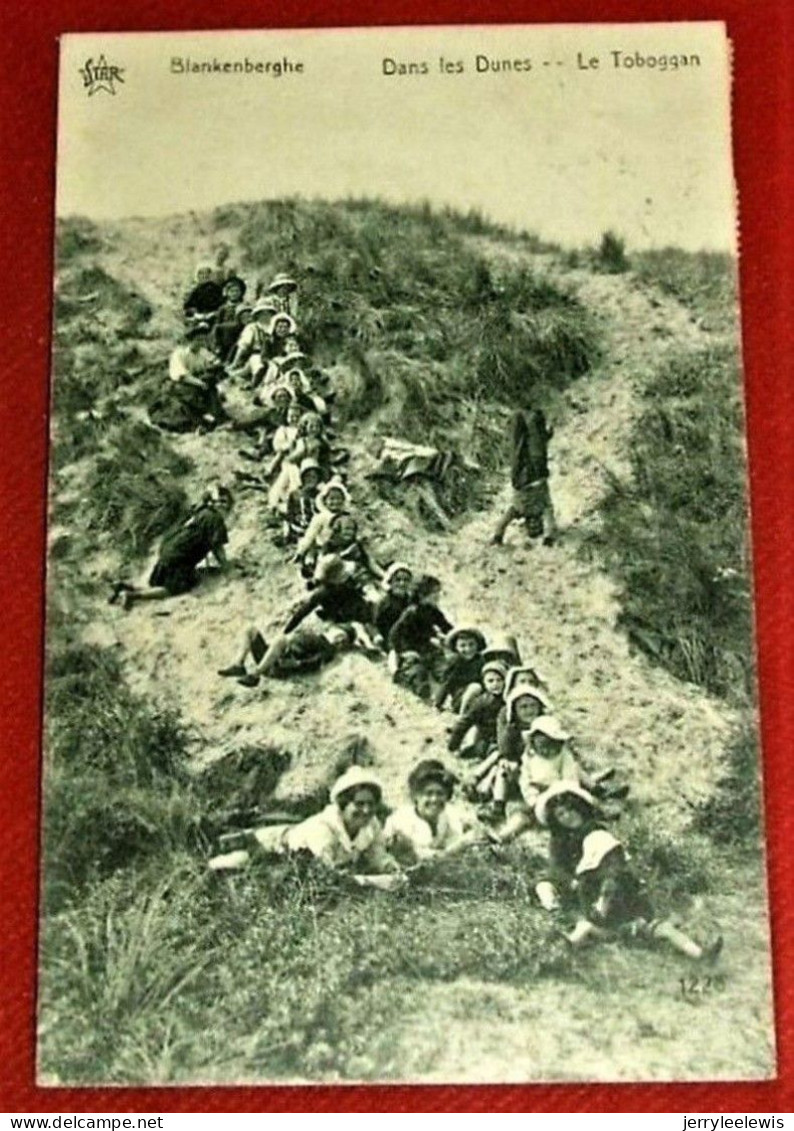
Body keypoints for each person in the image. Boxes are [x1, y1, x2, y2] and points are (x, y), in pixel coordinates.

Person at [533, 783, 723, 961]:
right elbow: (556, 868)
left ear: (580, 808)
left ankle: (699, 953)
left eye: (570, 810)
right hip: (583, 894)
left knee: (659, 926)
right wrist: (572, 881)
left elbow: (615, 865)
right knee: (546, 887)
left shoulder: (596, 832)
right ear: (556, 819)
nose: (568, 816)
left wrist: (604, 892)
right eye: (561, 814)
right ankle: (559, 930)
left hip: (612, 895)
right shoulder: (558, 842)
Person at [209, 766, 402, 887]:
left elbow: (377, 852)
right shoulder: (323, 829)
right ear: (343, 805)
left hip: (296, 839)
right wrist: (375, 882)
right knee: (226, 867)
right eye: (359, 804)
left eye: (371, 804)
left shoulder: (371, 823)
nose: (366, 810)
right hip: (275, 846)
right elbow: (329, 877)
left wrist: (391, 868)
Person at [110, 486, 233, 609]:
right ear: (216, 503)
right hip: (179, 557)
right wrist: (227, 568)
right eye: (223, 502)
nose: (226, 507)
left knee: (159, 585)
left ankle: (124, 587)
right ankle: (132, 596)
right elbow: (218, 549)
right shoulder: (215, 518)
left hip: (168, 550)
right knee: (171, 590)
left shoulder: (196, 511)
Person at [383, 759, 484, 867]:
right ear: (416, 796)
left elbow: (476, 826)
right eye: (428, 793)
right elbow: (419, 858)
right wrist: (461, 845)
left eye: (440, 793)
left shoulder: (450, 815)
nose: (434, 799)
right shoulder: (401, 821)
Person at [491, 409, 558, 546]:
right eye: (537, 526)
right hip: (538, 474)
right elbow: (550, 522)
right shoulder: (544, 508)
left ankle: (519, 416)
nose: (533, 524)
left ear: (525, 524)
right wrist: (548, 538)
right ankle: (535, 419)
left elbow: (503, 522)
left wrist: (498, 537)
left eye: (531, 527)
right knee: (536, 439)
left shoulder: (518, 510)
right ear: (541, 522)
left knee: (518, 442)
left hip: (520, 478)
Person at [218, 621, 356, 684]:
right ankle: (238, 665)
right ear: (332, 629)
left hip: (283, 666)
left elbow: (316, 662)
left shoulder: (328, 649)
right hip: (274, 657)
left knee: (281, 641)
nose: (340, 641)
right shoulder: (316, 634)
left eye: (344, 643)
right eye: (341, 636)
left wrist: (297, 663)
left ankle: (255, 675)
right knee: (250, 630)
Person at [150, 324, 226, 432]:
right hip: (181, 385)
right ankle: (199, 423)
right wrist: (200, 383)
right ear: (190, 340)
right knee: (187, 403)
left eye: (203, 340)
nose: (200, 343)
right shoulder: (179, 354)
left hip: (199, 384)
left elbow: (214, 366)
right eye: (198, 340)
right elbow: (181, 376)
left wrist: (218, 386)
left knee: (211, 389)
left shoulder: (202, 353)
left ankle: (215, 418)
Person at [388, 575, 453, 701]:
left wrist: (455, 636)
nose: (438, 595)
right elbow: (394, 635)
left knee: (445, 672)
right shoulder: (411, 613)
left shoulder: (432, 610)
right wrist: (405, 651)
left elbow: (446, 627)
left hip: (428, 648)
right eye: (435, 592)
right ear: (423, 594)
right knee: (418, 675)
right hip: (412, 650)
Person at [280, 554, 375, 640]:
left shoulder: (326, 590)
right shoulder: (327, 590)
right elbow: (303, 611)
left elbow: (303, 612)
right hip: (347, 611)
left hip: (348, 611)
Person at [447, 659, 508, 760]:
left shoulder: (509, 699)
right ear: (484, 683)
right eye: (490, 681)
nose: (495, 684)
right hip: (487, 738)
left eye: (499, 680)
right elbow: (465, 722)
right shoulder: (481, 702)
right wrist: (453, 745)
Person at [434, 626, 487, 712]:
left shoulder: (480, 660)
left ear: (477, 645)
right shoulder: (455, 662)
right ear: (456, 647)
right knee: (475, 687)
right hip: (461, 698)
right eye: (462, 646)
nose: (468, 649)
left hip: (480, 696)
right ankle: (463, 713)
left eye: (471, 644)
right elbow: (446, 684)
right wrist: (438, 704)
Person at [279, 458, 323, 546]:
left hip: (314, 529)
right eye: (308, 476)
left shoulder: (320, 494)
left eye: (314, 477)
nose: (311, 479)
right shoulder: (295, 494)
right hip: (299, 527)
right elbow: (290, 514)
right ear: (303, 478)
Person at [373, 562, 414, 644]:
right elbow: (372, 624)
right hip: (388, 641)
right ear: (390, 582)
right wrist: (376, 635)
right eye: (398, 580)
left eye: (406, 580)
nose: (402, 583)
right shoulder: (383, 602)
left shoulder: (412, 601)